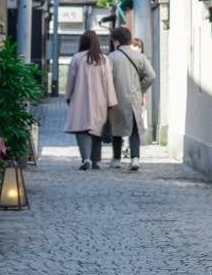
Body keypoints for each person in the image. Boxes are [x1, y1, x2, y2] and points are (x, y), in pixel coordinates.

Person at [64, 30, 117, 170]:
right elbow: (108, 82)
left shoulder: (77, 58)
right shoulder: (103, 59)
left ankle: (86, 158)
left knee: (82, 130)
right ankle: (95, 161)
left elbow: (70, 80)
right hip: (100, 100)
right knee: (97, 129)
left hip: (80, 99)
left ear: (82, 42)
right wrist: (111, 101)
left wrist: (68, 96)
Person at [107, 26, 155, 171]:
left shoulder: (112, 57)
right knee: (134, 130)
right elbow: (151, 75)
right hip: (134, 98)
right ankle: (135, 158)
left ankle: (116, 159)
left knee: (116, 129)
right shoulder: (139, 56)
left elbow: (106, 79)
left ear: (116, 41)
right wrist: (140, 89)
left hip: (117, 97)